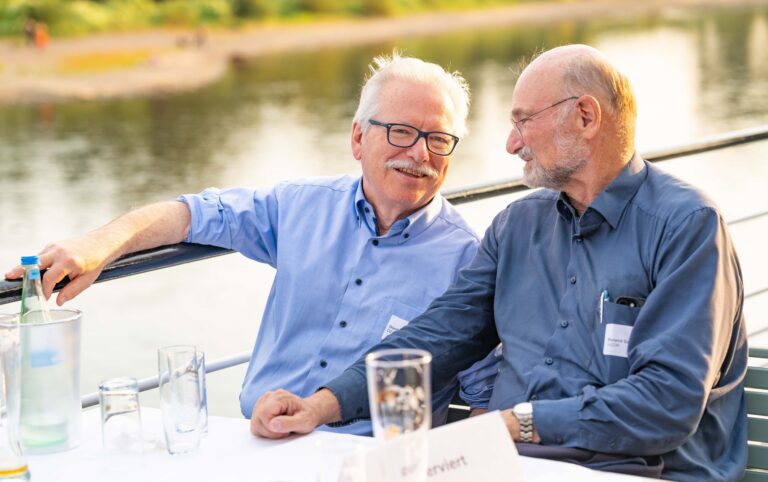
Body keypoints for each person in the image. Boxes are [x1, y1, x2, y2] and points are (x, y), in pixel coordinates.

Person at [249, 44, 748, 481]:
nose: (511, 143)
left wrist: (515, 423)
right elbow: (439, 334)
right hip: (510, 466)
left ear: (586, 117)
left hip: (636, 471)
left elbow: (665, 403)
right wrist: (319, 405)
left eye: (522, 120)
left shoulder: (687, 225)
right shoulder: (517, 225)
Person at [4, 53, 498, 435]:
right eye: (401, 132)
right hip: (254, 443)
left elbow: (484, 399)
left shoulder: (468, 261)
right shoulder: (301, 207)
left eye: (439, 139)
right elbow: (194, 213)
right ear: (357, 139)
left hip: (373, 460)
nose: (420, 154)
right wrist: (100, 245)